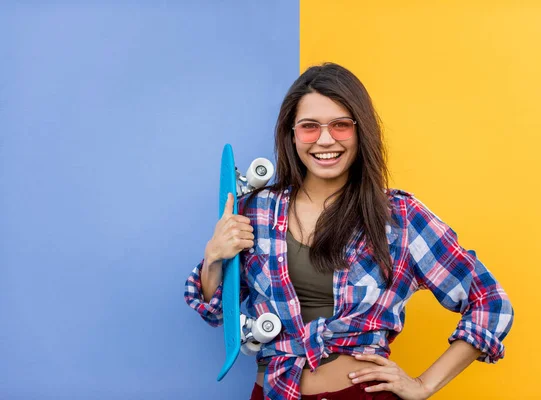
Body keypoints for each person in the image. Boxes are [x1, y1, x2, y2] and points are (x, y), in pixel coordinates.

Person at [185, 63, 514, 400]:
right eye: (309, 126)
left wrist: (424, 385)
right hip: (274, 393)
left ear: (361, 131)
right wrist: (214, 258)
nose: (325, 139)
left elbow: (490, 303)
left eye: (341, 125)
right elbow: (216, 313)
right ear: (291, 133)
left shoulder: (398, 216)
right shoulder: (256, 210)